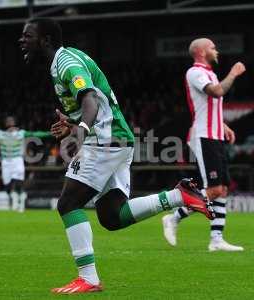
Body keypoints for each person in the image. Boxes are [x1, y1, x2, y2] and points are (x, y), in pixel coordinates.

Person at [19, 18, 215, 294]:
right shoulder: (61, 63)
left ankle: (88, 278)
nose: (21, 40)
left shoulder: (66, 62)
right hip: (117, 139)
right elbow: (92, 102)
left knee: (68, 204)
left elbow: (90, 98)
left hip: (105, 139)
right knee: (112, 216)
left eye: (27, 36)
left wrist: (82, 130)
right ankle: (178, 196)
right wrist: (73, 123)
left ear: (46, 40)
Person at [162, 38, 246, 252]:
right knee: (214, 189)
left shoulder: (210, 73)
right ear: (200, 51)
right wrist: (234, 73)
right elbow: (216, 92)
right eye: (212, 47)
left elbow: (209, 106)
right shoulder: (195, 72)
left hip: (215, 134)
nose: (215, 50)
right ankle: (173, 218)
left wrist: (223, 124)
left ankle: (216, 239)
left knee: (223, 189)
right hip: (204, 136)